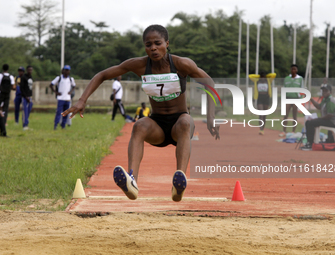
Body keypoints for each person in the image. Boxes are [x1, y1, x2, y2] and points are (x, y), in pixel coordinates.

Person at [62, 24, 219, 202]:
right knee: (139, 125)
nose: (153, 48)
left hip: (179, 125)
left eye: (157, 43)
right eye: (148, 44)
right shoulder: (139, 65)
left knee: (185, 121)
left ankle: (179, 181)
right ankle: (132, 181)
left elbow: (209, 82)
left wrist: (210, 117)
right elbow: (102, 75)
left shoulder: (182, 64)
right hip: (157, 126)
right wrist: (82, 100)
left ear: (167, 43)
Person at [301, 84, 335, 151]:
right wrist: (311, 98)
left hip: (332, 122)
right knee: (309, 122)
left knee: (310, 123)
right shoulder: (325, 99)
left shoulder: (330, 101)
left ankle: (310, 144)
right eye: (323, 91)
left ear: (330, 92)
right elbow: (319, 107)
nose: (324, 92)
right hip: (327, 120)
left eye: (326, 91)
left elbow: (330, 115)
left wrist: (318, 119)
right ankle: (310, 142)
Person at [280, 64, 304, 136]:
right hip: (287, 98)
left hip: (296, 99)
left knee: (294, 115)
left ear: (297, 70)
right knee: (285, 115)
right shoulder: (287, 78)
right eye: (292, 69)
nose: (293, 70)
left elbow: (302, 89)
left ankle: (293, 131)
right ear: (290, 70)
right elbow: (284, 88)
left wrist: (300, 99)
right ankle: (284, 131)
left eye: (295, 69)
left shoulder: (300, 78)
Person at [50, 65, 76, 130]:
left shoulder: (71, 79)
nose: (66, 71)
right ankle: (55, 125)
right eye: (65, 70)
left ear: (69, 71)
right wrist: (56, 92)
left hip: (67, 99)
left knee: (66, 113)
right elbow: (51, 85)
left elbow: (74, 86)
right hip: (60, 98)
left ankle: (63, 125)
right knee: (58, 112)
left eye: (68, 70)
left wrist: (70, 92)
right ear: (63, 70)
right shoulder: (59, 78)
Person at [20, 65, 34, 130]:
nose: (30, 71)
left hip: (30, 97)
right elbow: (21, 88)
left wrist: (30, 97)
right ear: (27, 70)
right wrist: (26, 97)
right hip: (25, 97)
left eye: (31, 70)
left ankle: (26, 123)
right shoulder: (23, 77)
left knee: (28, 111)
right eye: (29, 70)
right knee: (25, 111)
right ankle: (24, 125)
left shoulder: (31, 77)